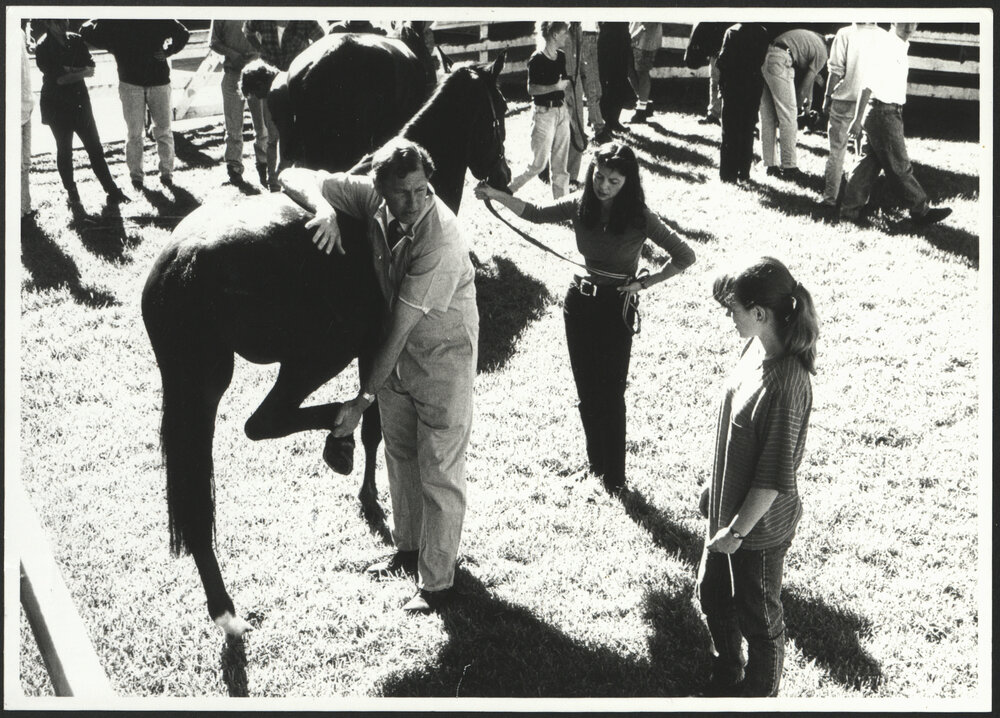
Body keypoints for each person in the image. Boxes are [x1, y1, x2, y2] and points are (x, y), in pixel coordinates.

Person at [279, 138, 478, 613]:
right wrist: (324, 207)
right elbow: (293, 173)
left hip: (441, 354)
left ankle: (437, 586)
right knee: (400, 454)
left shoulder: (441, 238)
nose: (412, 203)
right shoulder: (373, 196)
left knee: (439, 468)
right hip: (396, 353)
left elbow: (401, 326)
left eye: (421, 190)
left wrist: (363, 397)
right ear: (379, 187)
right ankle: (408, 550)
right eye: (401, 193)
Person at [476, 143, 695, 493]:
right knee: (587, 392)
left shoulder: (639, 215)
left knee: (611, 394)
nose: (603, 185)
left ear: (628, 181)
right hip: (578, 305)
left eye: (613, 180)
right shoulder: (581, 204)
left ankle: (616, 478)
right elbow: (533, 212)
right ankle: (596, 468)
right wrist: (495, 195)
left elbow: (685, 255)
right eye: (599, 175)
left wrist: (645, 283)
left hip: (615, 309)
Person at [697, 257, 818, 697]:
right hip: (728, 511)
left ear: (761, 314)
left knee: (759, 620)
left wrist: (735, 532)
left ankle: (758, 697)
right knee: (712, 596)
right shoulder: (756, 347)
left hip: (756, 530)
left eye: (735, 310)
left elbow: (771, 480)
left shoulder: (786, 384)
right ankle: (727, 669)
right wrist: (716, 490)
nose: (730, 317)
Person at [839, 23, 952, 226]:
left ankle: (849, 213)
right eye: (904, 21)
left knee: (867, 165)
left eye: (913, 22)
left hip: (886, 112)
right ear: (893, 21)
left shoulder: (900, 45)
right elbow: (867, 85)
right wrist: (856, 119)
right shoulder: (887, 45)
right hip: (883, 112)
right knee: (899, 165)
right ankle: (920, 211)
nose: (909, 26)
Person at [79, 19, 189, 189]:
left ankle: (167, 174)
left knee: (164, 130)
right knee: (134, 133)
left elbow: (183, 33)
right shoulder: (115, 20)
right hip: (130, 83)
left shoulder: (154, 14)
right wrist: (109, 34)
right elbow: (85, 30)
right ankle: (136, 177)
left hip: (158, 81)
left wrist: (169, 51)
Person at [35, 19, 130, 207]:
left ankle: (111, 189)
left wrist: (71, 71)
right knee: (64, 149)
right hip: (56, 105)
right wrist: (80, 72)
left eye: (65, 20)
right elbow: (60, 80)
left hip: (80, 103)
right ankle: (72, 191)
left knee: (95, 147)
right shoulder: (43, 46)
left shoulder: (76, 40)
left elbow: (91, 68)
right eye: (57, 23)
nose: (63, 25)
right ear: (48, 23)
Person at [243, 20, 325, 189]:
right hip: (280, 78)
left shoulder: (276, 94)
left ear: (260, 85)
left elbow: (287, 135)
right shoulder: (263, 17)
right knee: (273, 138)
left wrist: (282, 169)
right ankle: (275, 181)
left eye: (256, 93)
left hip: (300, 84)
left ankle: (289, 180)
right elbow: (247, 30)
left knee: (299, 138)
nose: (258, 98)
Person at [820, 23, 885, 209]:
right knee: (864, 154)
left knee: (837, 150)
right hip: (871, 102)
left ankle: (830, 198)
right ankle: (859, 201)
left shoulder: (845, 33)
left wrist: (827, 96)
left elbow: (835, 70)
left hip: (844, 99)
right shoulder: (883, 36)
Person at [509, 22, 572, 199]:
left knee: (561, 166)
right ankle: (507, 190)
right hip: (544, 114)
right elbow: (531, 89)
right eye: (564, 33)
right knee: (538, 164)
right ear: (554, 35)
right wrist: (555, 86)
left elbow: (564, 84)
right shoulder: (536, 59)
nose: (567, 36)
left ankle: (561, 205)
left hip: (561, 112)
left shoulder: (561, 57)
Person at [759, 28, 828, 178]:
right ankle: (789, 167)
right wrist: (796, 108)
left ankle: (770, 166)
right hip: (780, 60)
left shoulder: (812, 39)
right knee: (789, 117)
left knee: (768, 118)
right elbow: (803, 88)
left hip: (766, 56)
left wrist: (807, 105)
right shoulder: (823, 52)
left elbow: (808, 80)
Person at [210, 19, 268, 187]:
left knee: (262, 125)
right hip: (232, 73)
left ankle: (264, 166)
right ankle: (234, 169)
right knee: (233, 126)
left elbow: (270, 36)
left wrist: (258, 54)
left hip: (258, 73)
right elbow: (214, 42)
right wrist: (232, 54)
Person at [716, 23, 770, 184]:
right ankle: (743, 173)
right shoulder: (762, 32)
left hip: (733, 84)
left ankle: (728, 174)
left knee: (730, 131)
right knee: (747, 130)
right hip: (752, 84)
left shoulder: (732, 31)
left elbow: (723, 61)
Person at [563, 22, 589, 186]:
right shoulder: (557, 28)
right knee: (559, 130)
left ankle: (572, 176)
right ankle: (551, 171)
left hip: (576, 83)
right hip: (560, 83)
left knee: (578, 130)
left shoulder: (577, 29)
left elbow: (580, 60)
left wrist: (583, 82)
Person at [597, 22, 634, 133]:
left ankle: (614, 120)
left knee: (620, 81)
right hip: (606, 40)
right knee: (604, 81)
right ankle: (604, 120)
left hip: (622, 40)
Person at [579, 22, 610, 143]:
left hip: (592, 36)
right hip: (584, 37)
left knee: (596, 88)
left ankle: (595, 123)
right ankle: (598, 128)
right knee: (592, 89)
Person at [627, 22, 662, 124]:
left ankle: (641, 111)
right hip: (633, 32)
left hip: (646, 37)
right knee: (629, 70)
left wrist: (641, 30)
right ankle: (645, 102)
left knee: (642, 72)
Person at [21, 23, 35, 220]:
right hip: (12, 110)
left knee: (25, 163)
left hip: (26, 107)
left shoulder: (21, 33)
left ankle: (25, 207)